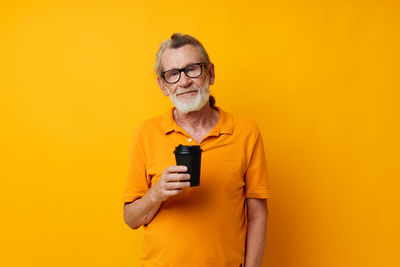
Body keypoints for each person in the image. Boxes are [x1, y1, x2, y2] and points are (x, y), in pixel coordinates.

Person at [122, 33, 272, 267]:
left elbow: (257, 215)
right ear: (163, 85)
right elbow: (131, 219)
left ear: (210, 73)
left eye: (192, 69)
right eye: (173, 74)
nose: (183, 82)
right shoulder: (145, 134)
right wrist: (157, 193)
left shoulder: (246, 133)